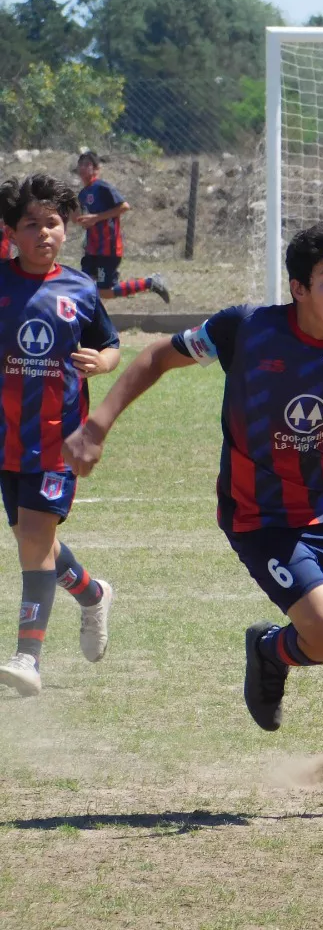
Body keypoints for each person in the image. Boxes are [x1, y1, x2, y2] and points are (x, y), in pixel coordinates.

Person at [62, 220, 323, 811]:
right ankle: (272, 651)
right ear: (298, 288)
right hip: (260, 517)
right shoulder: (246, 329)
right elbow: (154, 359)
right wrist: (97, 425)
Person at [0, 174, 118, 697]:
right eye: (31, 224)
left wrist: (102, 361)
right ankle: (92, 593)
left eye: (52, 223)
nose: (43, 232)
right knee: (34, 542)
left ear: (65, 229)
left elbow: (111, 345)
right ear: (10, 232)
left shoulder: (80, 288)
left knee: (34, 543)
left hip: (57, 444)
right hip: (5, 441)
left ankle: (28, 657)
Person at [74, 151, 170, 304]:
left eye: (87, 164)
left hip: (107, 248)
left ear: (97, 169)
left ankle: (150, 283)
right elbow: (81, 219)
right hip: (92, 249)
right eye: (81, 164)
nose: (83, 168)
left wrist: (97, 218)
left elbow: (124, 207)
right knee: (84, 286)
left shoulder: (102, 188)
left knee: (105, 292)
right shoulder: (83, 194)